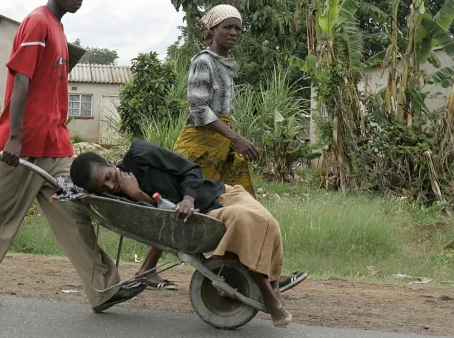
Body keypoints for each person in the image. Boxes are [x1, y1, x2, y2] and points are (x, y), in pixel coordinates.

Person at [0, 0, 145, 313]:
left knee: (75, 215)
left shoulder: (60, 32)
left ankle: (105, 288)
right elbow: (22, 81)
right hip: (21, 147)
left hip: (54, 148)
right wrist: (15, 138)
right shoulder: (38, 22)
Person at [137, 4, 307, 292]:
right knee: (183, 207)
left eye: (238, 27)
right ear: (212, 30)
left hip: (222, 145)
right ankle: (147, 268)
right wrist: (236, 138)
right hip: (199, 146)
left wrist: (231, 140)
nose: (233, 32)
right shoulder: (203, 61)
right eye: (227, 26)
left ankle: (263, 273)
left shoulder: (226, 64)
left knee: (246, 204)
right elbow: (199, 109)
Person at [70, 140, 294, 328]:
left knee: (269, 222)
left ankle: (272, 282)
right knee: (248, 220)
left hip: (218, 194)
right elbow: (157, 222)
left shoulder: (140, 155)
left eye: (109, 177)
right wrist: (137, 194)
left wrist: (188, 199)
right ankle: (268, 294)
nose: (110, 186)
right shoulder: (118, 198)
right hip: (205, 216)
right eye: (101, 188)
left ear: (110, 163)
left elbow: (191, 170)